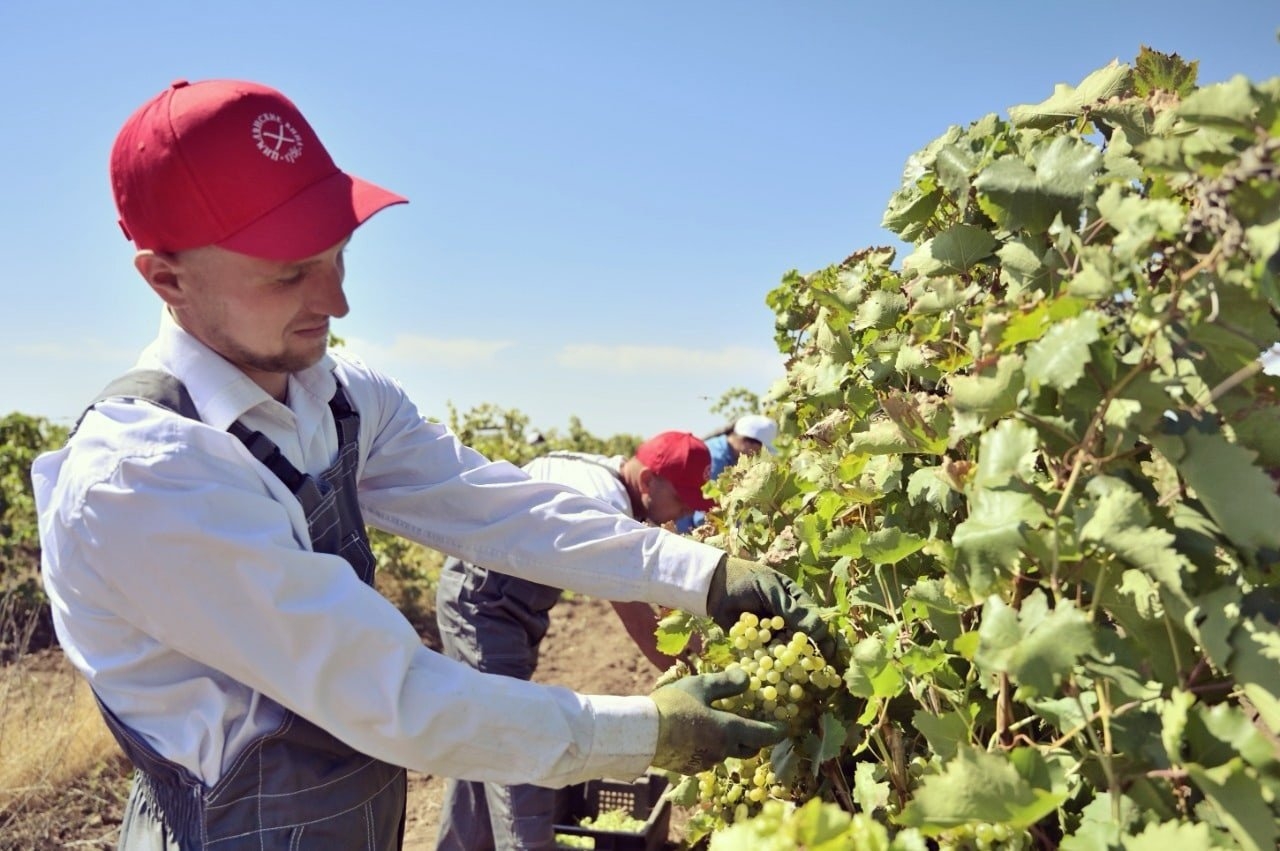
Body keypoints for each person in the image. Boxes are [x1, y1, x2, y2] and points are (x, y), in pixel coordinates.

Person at [31, 78, 829, 851]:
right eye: (289, 273)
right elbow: (391, 694)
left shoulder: (338, 396)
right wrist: (650, 731)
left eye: (338, 255)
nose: (336, 301)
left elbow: (493, 504)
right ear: (166, 277)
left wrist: (704, 575)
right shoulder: (142, 478)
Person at [434, 430, 715, 849]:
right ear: (647, 482)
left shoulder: (599, 473)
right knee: (512, 735)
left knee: (483, 736)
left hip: (502, 605)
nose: (688, 511)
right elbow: (646, 626)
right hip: (483, 604)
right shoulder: (605, 506)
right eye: (682, 499)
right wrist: (699, 681)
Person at [675, 414, 779, 534]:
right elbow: (705, 516)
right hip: (682, 532)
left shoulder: (726, 454)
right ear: (748, 442)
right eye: (760, 451)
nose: (759, 457)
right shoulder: (715, 460)